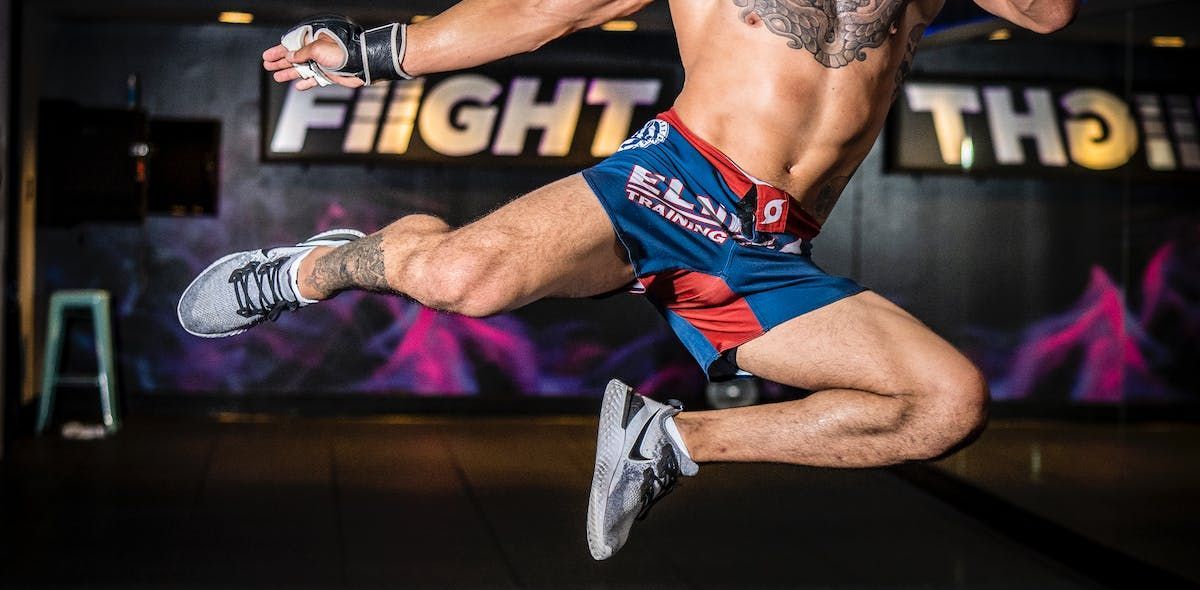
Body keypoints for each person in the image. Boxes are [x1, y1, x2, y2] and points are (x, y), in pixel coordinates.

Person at [178, 0, 1079, 560]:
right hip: (668, 183)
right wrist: (374, 51)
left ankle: (668, 442)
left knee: (946, 403)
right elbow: (543, 10)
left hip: (768, 249)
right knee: (461, 276)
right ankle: (313, 268)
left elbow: (1048, 13)